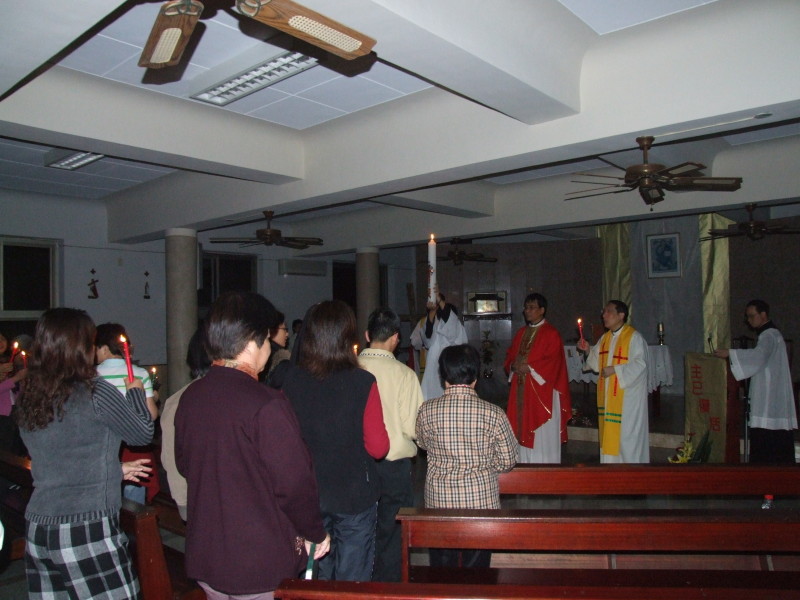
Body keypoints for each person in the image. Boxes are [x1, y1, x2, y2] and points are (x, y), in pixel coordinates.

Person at [175, 291, 330, 599]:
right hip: (257, 560)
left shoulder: (191, 396)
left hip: (207, 553)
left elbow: (184, 464)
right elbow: (294, 484)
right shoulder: (265, 403)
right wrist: (314, 532)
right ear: (251, 342)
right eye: (267, 339)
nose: (269, 348)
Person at [15, 308, 154, 599]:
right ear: (81, 347)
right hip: (85, 526)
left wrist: (114, 469)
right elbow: (142, 434)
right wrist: (136, 393)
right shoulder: (95, 391)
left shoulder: (30, 393)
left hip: (39, 525)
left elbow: (58, 454)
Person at [282, 300, 389, 582]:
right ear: (347, 337)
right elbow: (378, 448)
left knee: (316, 573)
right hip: (354, 495)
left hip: (310, 494)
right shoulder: (362, 381)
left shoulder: (291, 382)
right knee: (353, 576)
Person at [415, 344, 517, 569]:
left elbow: (422, 444)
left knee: (442, 570)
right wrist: (486, 463)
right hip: (480, 504)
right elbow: (509, 459)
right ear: (475, 376)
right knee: (476, 572)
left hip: (439, 503)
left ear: (444, 376)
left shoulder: (427, 410)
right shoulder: (493, 413)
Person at [358, 307, 424, 582]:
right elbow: (413, 427)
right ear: (396, 338)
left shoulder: (349, 369)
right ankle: (388, 588)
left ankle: (359, 585)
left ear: (367, 335)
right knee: (392, 533)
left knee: (357, 532)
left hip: (355, 466)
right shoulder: (404, 375)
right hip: (394, 466)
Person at [715, 300, 797, 463]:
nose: (749, 320)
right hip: (771, 393)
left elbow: (758, 357)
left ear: (763, 315)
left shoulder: (769, 335)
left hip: (768, 399)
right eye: (747, 317)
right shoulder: (771, 334)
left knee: (767, 443)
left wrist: (730, 353)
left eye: (752, 316)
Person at [577, 300, 649, 463]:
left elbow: (641, 365)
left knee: (626, 438)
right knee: (610, 437)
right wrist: (587, 350)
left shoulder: (634, 338)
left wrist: (616, 370)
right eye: (604, 312)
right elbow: (595, 363)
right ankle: (610, 472)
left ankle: (630, 474)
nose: (604, 315)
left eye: (608, 311)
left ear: (621, 315)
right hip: (608, 399)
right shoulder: (605, 338)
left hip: (627, 402)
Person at [504, 293, 572, 463]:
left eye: (532, 307)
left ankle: (545, 467)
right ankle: (524, 466)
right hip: (522, 390)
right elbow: (510, 356)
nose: (527, 311)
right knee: (520, 426)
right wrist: (513, 366)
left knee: (542, 435)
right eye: (526, 308)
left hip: (542, 392)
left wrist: (530, 367)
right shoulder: (521, 333)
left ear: (542, 310)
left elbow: (554, 361)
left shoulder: (551, 333)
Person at [95, 323, 158, 504]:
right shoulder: (138, 373)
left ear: (104, 349)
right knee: (133, 500)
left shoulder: (92, 375)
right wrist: (153, 398)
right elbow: (151, 415)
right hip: (133, 449)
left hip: (103, 448)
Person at [159, 327, 212, 521]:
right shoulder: (219, 398)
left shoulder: (176, 399)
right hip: (208, 501)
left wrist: (183, 500)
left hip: (187, 498)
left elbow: (168, 458)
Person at [411, 292, 468, 400]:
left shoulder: (457, 326)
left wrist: (439, 300)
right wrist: (432, 311)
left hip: (452, 370)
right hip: (433, 372)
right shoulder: (435, 326)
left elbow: (450, 323)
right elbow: (427, 339)